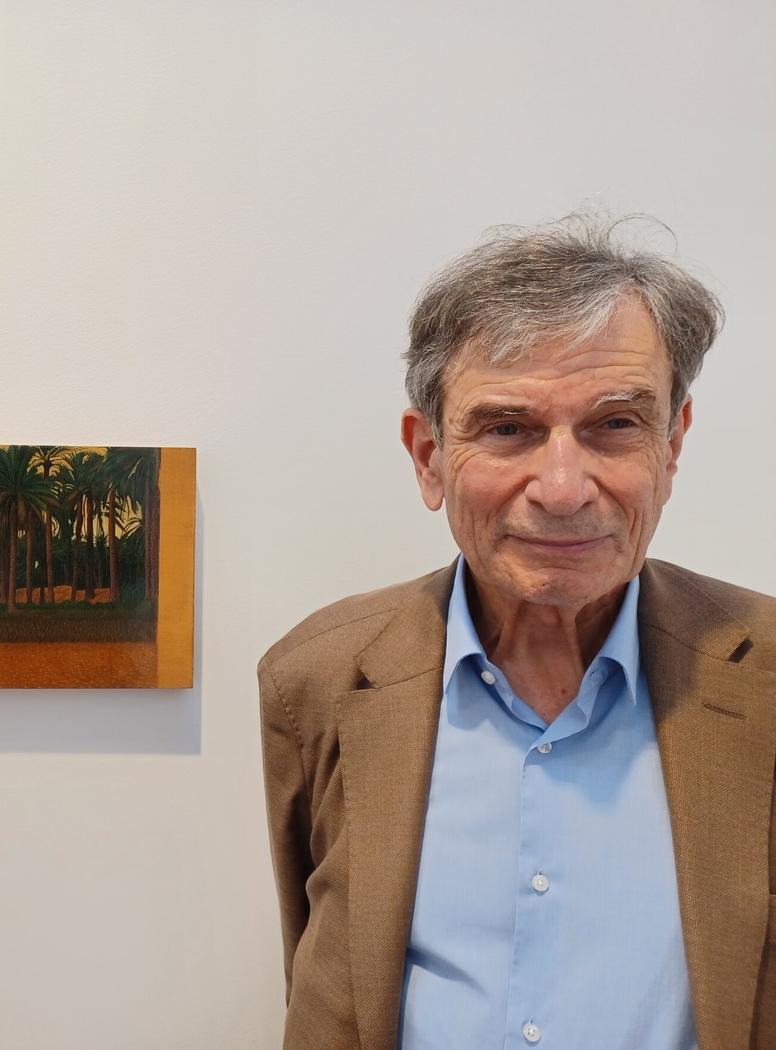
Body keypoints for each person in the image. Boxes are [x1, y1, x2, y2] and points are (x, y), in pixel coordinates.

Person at [258, 217, 776, 1050]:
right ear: (429, 455)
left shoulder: (766, 679)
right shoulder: (320, 677)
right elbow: (326, 972)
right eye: (508, 428)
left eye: (615, 424)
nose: (564, 488)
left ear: (672, 446)